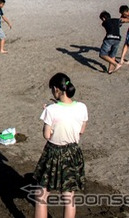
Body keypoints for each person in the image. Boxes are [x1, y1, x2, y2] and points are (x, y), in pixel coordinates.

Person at [33, 73, 87, 218]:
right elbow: (81, 130)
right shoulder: (82, 107)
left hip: (53, 153)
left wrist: (47, 112)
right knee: (68, 196)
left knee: (42, 194)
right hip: (73, 152)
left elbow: (47, 135)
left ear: (57, 90)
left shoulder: (51, 110)